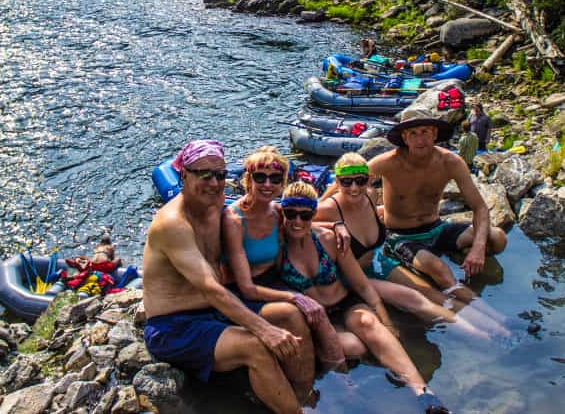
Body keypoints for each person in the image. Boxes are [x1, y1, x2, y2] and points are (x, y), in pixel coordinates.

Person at [142, 140, 314, 414]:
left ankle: (304, 395)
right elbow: (210, 287)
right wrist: (265, 330)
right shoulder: (173, 223)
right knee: (255, 345)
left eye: (220, 174)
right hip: (175, 326)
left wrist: (333, 225)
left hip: (213, 312)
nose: (214, 182)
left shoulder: (215, 202)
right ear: (183, 174)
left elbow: (254, 210)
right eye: (204, 174)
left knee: (291, 315)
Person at [279, 180, 452, 414]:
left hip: (345, 302)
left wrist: (386, 321)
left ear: (313, 214)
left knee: (369, 322)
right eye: (291, 213)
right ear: (282, 212)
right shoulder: (276, 246)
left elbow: (361, 284)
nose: (298, 221)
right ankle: (350, 394)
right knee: (353, 347)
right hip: (317, 319)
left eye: (305, 215)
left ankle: (424, 394)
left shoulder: (329, 239)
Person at [315, 153, 493, 340]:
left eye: (360, 181)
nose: (354, 188)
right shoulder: (328, 209)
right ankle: (483, 339)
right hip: (353, 276)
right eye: (346, 182)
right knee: (415, 299)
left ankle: (497, 326)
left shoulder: (370, 196)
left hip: (377, 260)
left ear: (369, 179)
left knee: (431, 292)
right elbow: (292, 221)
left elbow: (368, 216)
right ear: (337, 182)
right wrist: (334, 225)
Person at [369, 108, 508, 308]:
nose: (420, 139)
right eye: (413, 134)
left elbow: (480, 207)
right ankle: (488, 313)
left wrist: (477, 249)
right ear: (404, 138)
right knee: (440, 269)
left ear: (434, 134)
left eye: (425, 132)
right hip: (402, 235)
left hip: (437, 228)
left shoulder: (450, 162)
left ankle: (464, 256)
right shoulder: (387, 163)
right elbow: (346, 182)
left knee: (498, 238)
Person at [222, 146, 345, 368]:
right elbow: (247, 288)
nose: (268, 184)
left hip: (272, 280)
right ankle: (309, 381)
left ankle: (341, 377)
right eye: (260, 177)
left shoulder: (277, 212)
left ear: (283, 182)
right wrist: (294, 298)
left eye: (275, 178)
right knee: (297, 314)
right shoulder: (234, 220)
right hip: (243, 290)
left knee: (318, 314)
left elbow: (305, 225)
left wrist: (337, 225)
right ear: (248, 179)